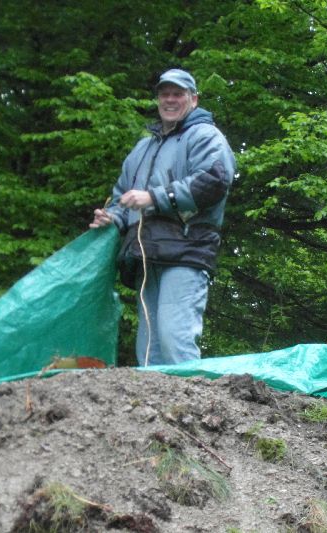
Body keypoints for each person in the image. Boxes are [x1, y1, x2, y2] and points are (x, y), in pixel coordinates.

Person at [90, 68, 236, 367]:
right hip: (147, 253)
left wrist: (156, 197)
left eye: (178, 94)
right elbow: (122, 198)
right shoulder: (142, 148)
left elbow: (215, 180)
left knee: (174, 339)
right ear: (158, 100)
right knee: (149, 349)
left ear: (193, 100)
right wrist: (112, 218)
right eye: (164, 94)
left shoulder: (205, 135)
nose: (170, 100)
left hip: (187, 249)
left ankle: (196, 411)